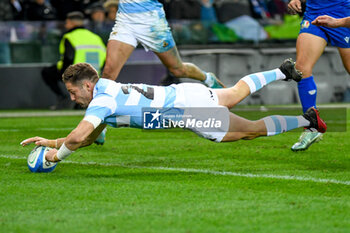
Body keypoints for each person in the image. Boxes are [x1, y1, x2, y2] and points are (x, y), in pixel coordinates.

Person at [20, 59, 327, 162]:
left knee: (247, 131)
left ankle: (305, 119)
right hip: (182, 93)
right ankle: (281, 72)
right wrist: (51, 141)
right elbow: (83, 139)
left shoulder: (102, 102)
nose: (73, 99)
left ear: (87, 85)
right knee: (233, 94)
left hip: (185, 110)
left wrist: (53, 158)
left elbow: (78, 138)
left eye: (73, 92)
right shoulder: (107, 90)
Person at [102, 0, 225, 88]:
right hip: (125, 22)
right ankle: (99, 119)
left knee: (178, 70)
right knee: (108, 72)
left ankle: (208, 79)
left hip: (153, 24)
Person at [287, 0, 350, 151]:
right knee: (301, 68)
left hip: (344, 16)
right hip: (315, 15)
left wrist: (340, 21)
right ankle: (311, 127)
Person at [41, 11, 106, 110]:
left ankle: (63, 98)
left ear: (71, 23)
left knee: (46, 72)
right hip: (95, 74)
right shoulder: (96, 37)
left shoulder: (70, 37)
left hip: (77, 74)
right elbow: (105, 58)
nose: (66, 25)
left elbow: (68, 58)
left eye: (66, 23)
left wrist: (64, 73)